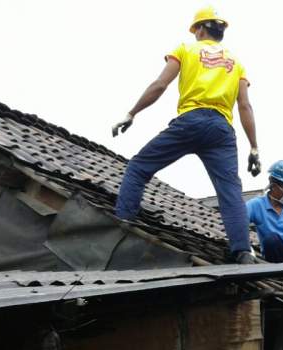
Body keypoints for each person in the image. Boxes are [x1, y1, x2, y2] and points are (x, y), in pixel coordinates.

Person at [112, 7, 261, 264]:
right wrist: (254, 148)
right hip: (221, 131)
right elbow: (245, 106)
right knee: (230, 192)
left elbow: (160, 84)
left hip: (190, 121)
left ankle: (122, 225)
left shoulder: (185, 49)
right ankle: (243, 251)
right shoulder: (236, 64)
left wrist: (131, 113)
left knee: (138, 167)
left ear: (200, 29)